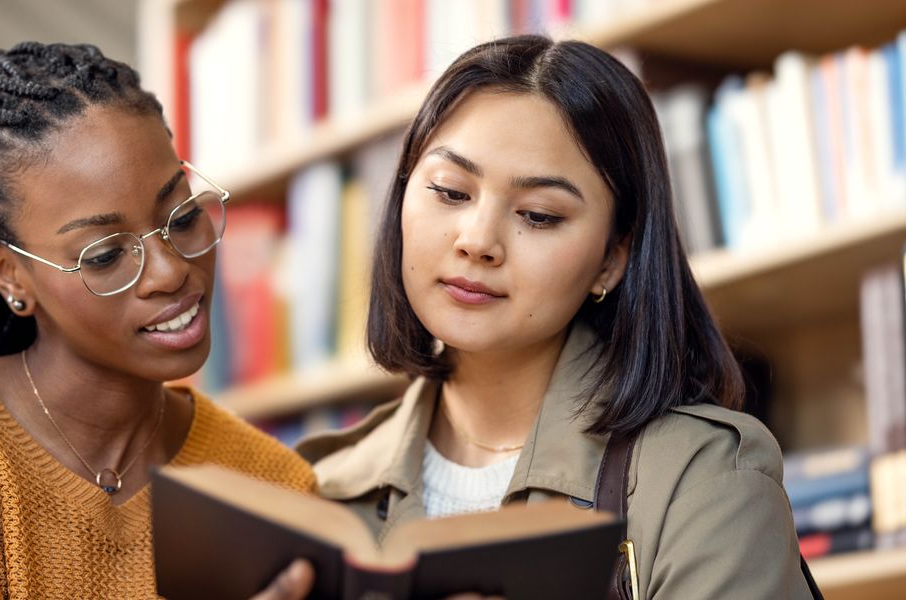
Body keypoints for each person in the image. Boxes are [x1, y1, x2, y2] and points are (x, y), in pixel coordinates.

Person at [278, 35, 816, 599]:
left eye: (538, 215)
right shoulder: (320, 491)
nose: (478, 241)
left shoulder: (703, 481)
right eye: (450, 191)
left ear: (611, 259)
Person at [0, 42, 315, 599]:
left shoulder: (272, 483)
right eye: (104, 255)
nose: (171, 272)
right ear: (10, 275)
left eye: (183, 216)